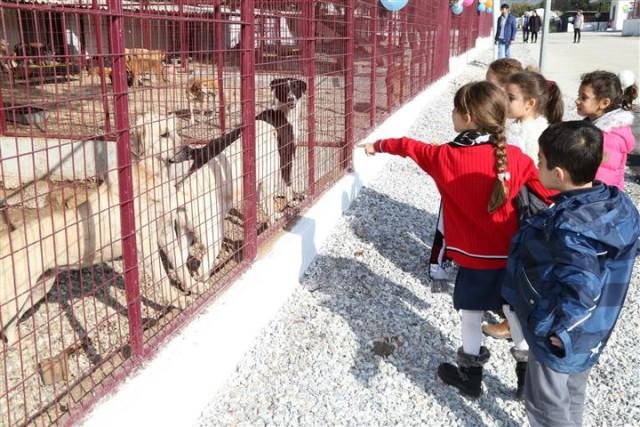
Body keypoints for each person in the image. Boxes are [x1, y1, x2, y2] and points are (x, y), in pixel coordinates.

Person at [362, 81, 553, 399]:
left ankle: (470, 378)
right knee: (515, 314)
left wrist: (377, 145)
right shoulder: (516, 158)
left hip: (471, 259)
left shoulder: (443, 156)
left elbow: (408, 146)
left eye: (454, 110)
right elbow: (545, 195)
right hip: (511, 258)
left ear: (466, 116)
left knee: (472, 314)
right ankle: (526, 381)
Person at [502, 121, 640, 426]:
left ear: (559, 174)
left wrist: (560, 332)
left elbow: (584, 286)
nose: (536, 163)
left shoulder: (569, 228)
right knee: (574, 389)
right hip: (594, 330)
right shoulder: (618, 204)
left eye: (539, 159)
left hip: (560, 334)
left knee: (546, 404)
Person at [576, 70, 638, 189]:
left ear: (604, 103)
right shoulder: (594, 125)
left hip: (599, 199)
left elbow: (603, 178)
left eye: (583, 97)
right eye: (578, 95)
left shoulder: (608, 138)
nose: (577, 100)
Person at [505, 71, 564, 161]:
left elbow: (533, 169)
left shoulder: (533, 136)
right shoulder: (516, 126)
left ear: (530, 103)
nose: (504, 101)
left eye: (510, 98)